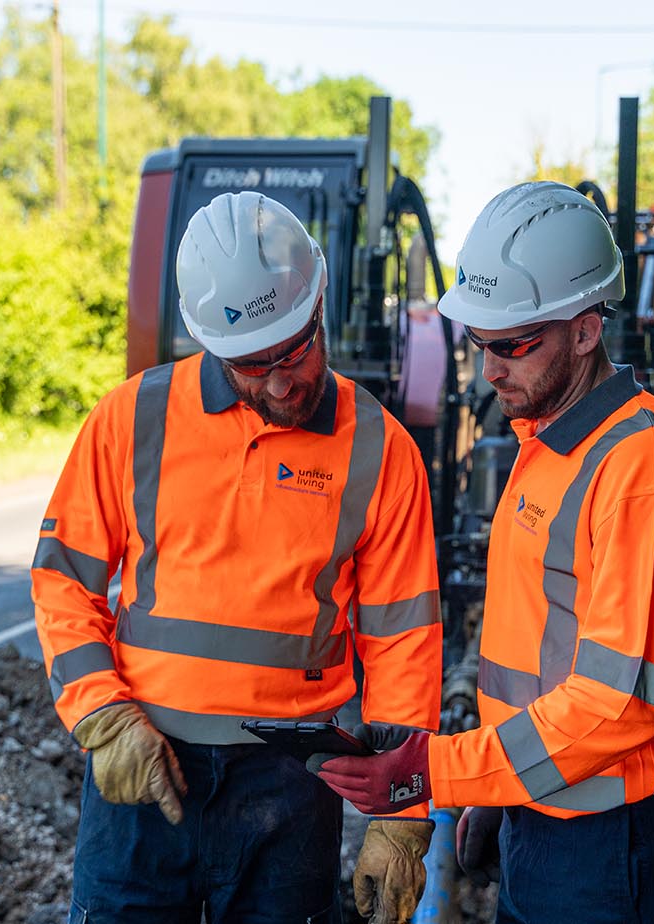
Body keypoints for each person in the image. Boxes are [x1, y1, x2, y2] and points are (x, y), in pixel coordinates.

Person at [310, 181, 654, 924]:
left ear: (587, 330)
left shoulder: (640, 475)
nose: (490, 369)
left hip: (611, 843)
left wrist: (438, 772)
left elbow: (619, 703)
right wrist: (502, 793)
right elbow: (541, 654)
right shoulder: (550, 444)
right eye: (480, 345)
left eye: (513, 345)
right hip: (553, 814)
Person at [31, 190, 443, 924]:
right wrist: (101, 715)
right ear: (209, 345)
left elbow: (403, 641)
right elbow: (66, 580)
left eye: (296, 351)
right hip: (145, 769)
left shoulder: (380, 449)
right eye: (253, 366)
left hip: (291, 791)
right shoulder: (132, 419)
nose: (282, 381)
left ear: (319, 308)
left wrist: (401, 812)